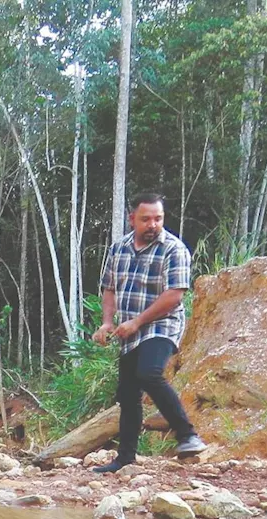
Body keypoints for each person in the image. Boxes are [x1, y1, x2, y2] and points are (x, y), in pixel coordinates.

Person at [91, 193, 206, 474]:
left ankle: (187, 434)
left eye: (158, 218)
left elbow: (175, 296)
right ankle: (125, 459)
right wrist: (107, 322)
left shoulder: (174, 249)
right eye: (146, 219)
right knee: (127, 394)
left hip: (161, 324)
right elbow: (109, 288)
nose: (153, 224)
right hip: (129, 328)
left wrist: (138, 321)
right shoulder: (119, 249)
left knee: (149, 372)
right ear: (132, 219)